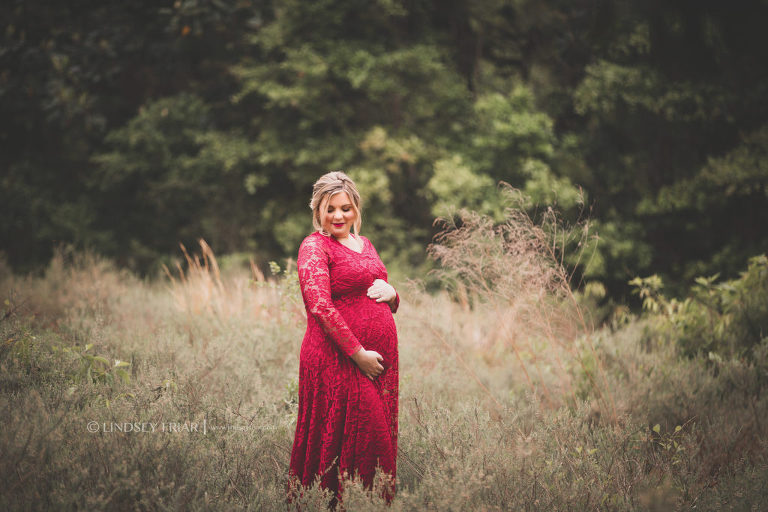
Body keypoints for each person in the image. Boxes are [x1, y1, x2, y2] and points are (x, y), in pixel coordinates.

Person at [288, 171, 400, 508]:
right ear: (318, 210)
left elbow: (381, 294)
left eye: (345, 208)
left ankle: (365, 504)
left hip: (377, 362)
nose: (338, 216)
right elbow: (319, 305)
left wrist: (394, 294)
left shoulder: (365, 244)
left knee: (369, 441)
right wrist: (358, 354)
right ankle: (335, 502)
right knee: (360, 437)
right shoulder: (314, 246)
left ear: (356, 210)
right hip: (337, 359)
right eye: (330, 209)